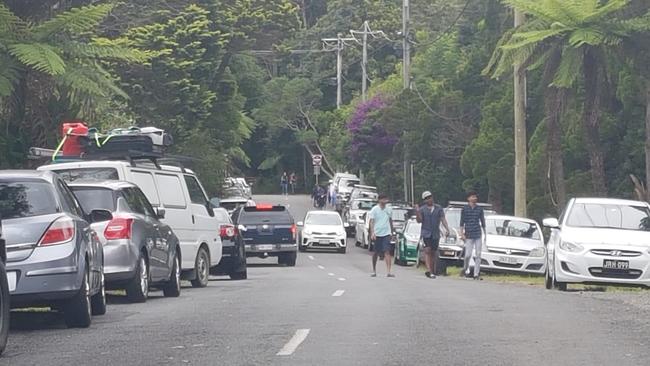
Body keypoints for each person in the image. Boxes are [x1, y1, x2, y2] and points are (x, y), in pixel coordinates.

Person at [415, 191, 450, 279]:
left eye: (430, 197)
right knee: (427, 250)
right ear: (424, 200)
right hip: (426, 233)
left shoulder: (438, 208)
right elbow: (419, 220)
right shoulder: (422, 209)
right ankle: (429, 270)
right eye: (426, 198)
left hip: (435, 233)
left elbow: (443, 219)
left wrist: (447, 229)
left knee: (433, 252)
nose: (429, 199)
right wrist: (417, 212)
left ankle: (433, 270)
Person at [460, 191, 486, 280]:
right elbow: (462, 222)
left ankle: (476, 273)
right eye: (472, 197)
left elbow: (483, 222)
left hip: (477, 233)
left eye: (475, 196)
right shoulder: (465, 209)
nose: (474, 198)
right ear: (468, 199)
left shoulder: (479, 209)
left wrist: (485, 234)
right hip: (468, 234)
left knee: (478, 254)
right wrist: (461, 233)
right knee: (468, 254)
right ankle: (465, 268)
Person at [368, 194, 395, 277]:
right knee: (376, 252)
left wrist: (392, 232)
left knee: (387, 251)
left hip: (386, 233)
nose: (384, 201)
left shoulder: (389, 209)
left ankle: (388, 271)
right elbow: (372, 221)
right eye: (383, 199)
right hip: (377, 233)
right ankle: (374, 270)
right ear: (379, 200)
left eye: (385, 199)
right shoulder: (374, 210)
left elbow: (390, 220)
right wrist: (372, 232)